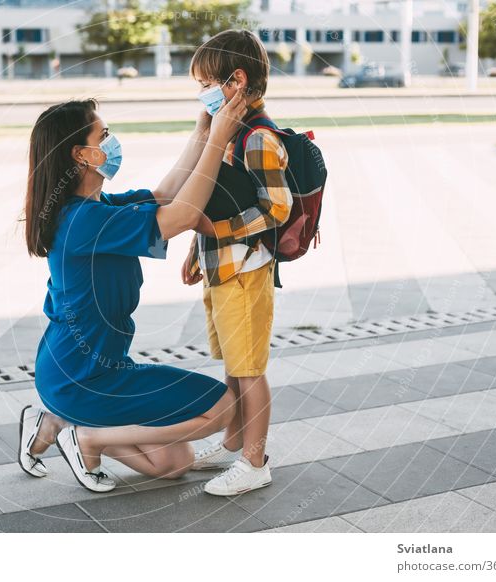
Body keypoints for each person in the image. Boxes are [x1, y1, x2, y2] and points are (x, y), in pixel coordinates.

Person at [19, 91, 248, 493]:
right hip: (87, 377)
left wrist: (202, 132)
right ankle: (87, 437)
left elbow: (164, 197)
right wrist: (218, 141)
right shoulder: (86, 221)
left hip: (81, 373)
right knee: (223, 407)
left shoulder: (95, 207)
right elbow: (184, 215)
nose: (111, 142)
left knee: (173, 462)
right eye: (102, 135)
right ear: (82, 156)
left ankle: (60, 421)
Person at [183, 30, 292, 496]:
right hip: (223, 267)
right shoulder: (228, 133)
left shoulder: (257, 139)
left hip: (246, 270)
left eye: (208, 82)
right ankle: (234, 446)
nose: (202, 92)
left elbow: (277, 208)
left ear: (237, 80)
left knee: (249, 370)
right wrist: (196, 248)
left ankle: (254, 461)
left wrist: (217, 235)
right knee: (233, 362)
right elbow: (218, 197)